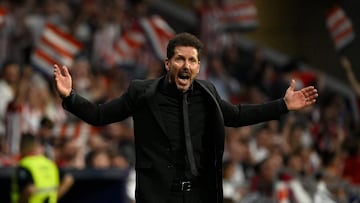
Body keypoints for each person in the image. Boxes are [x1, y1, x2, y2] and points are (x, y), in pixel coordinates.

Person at [53, 32, 318, 203]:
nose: (186, 65)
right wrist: (70, 96)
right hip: (157, 195)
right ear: (168, 63)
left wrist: (282, 105)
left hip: (198, 195)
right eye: (180, 59)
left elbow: (236, 116)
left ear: (198, 67)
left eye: (192, 61)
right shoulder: (142, 93)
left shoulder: (208, 93)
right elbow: (100, 116)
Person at [11, 133, 74, 203]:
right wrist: (54, 198)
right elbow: (68, 179)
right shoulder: (50, 163)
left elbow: (29, 190)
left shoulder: (25, 164)